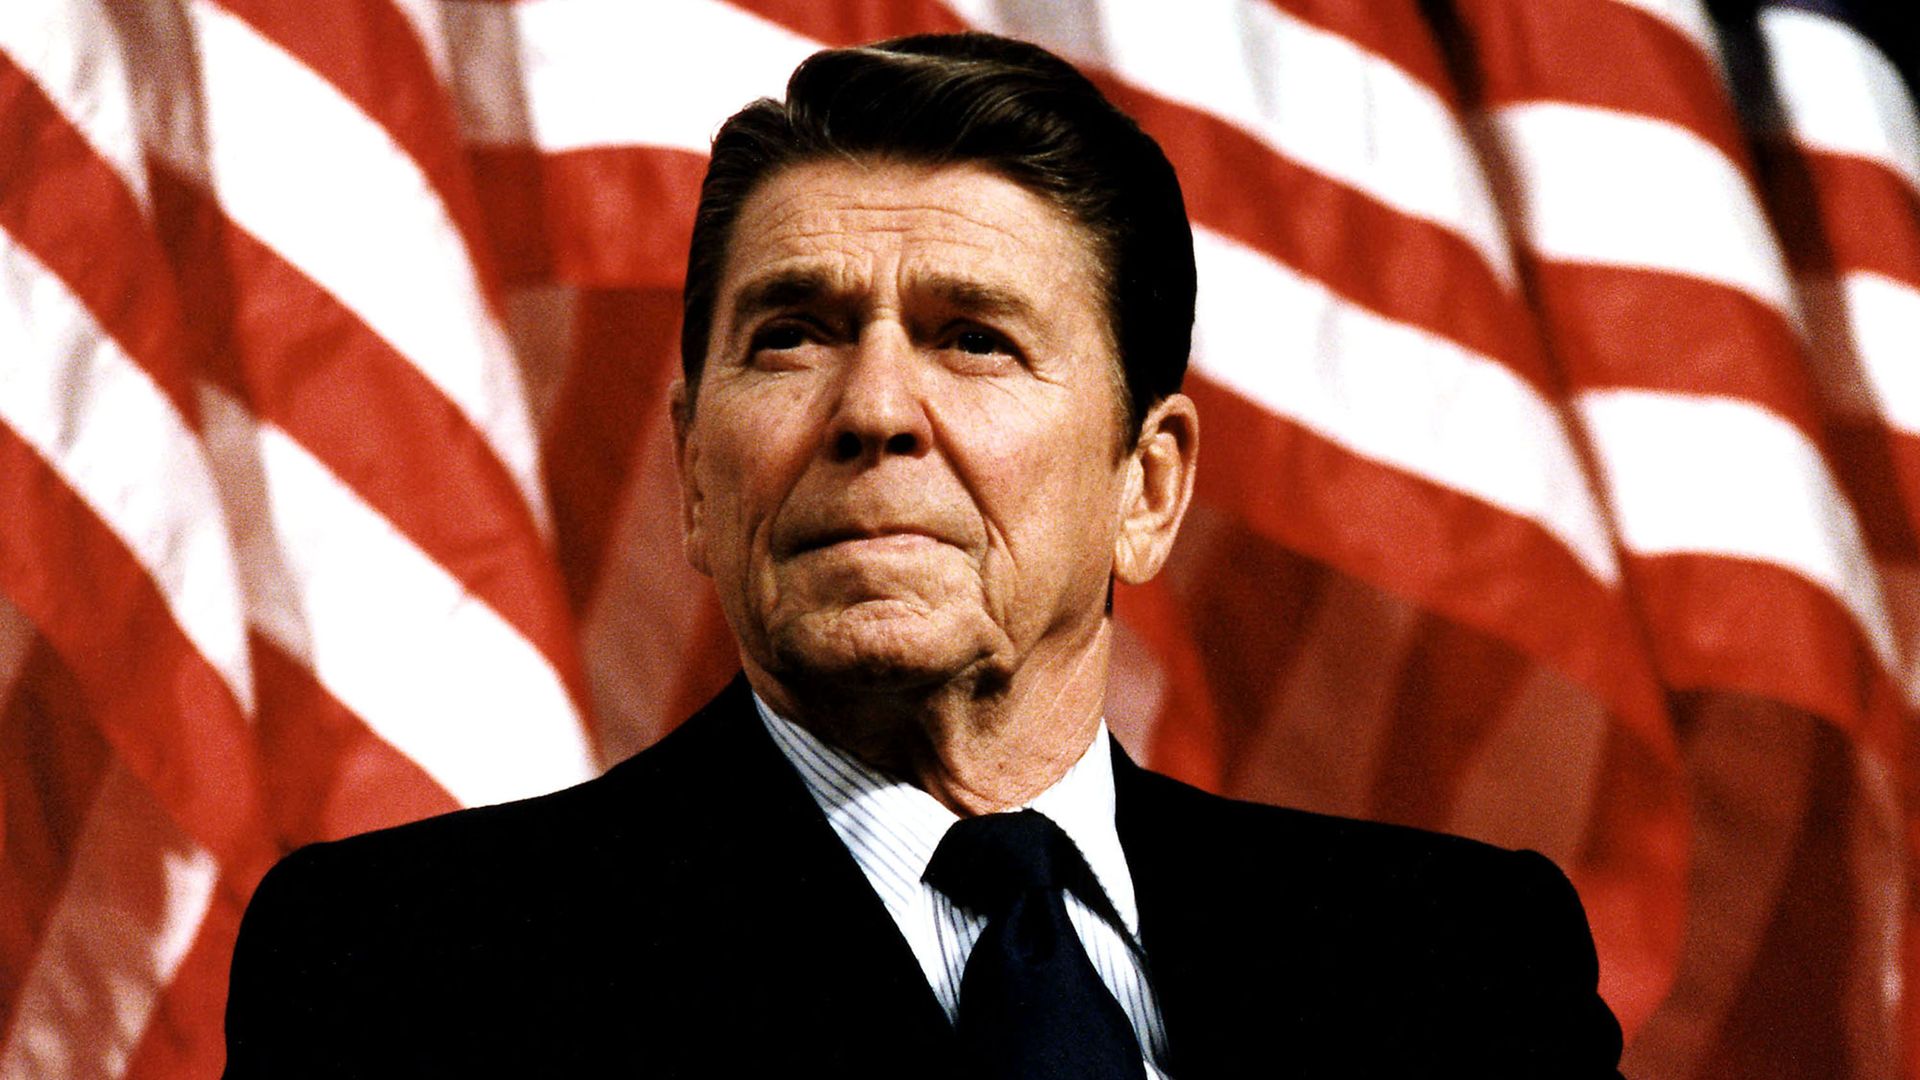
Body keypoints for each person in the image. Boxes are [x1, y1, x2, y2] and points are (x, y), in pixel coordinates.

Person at [222, 32, 1625, 1078]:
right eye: (791, 336)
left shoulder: (1463, 970)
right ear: (695, 476)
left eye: (975, 337)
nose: (876, 409)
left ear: (1149, 485)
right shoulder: (411, 974)